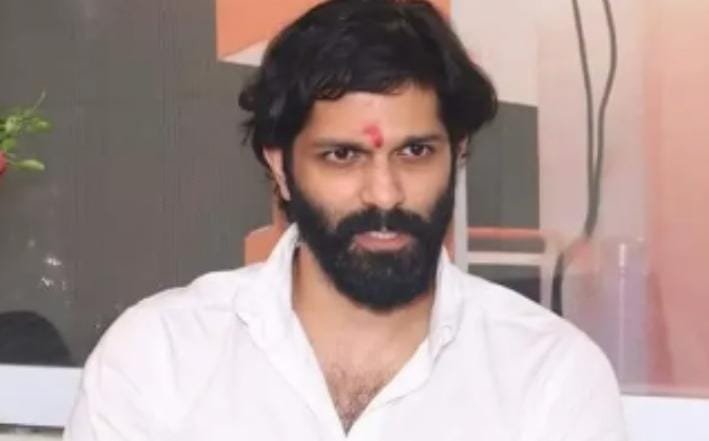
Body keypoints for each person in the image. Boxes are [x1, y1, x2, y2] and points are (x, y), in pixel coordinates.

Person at [64, 0, 626, 439]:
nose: (385, 193)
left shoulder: (548, 377)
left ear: (457, 155)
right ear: (281, 167)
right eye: (342, 155)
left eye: (415, 152)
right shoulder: (160, 359)